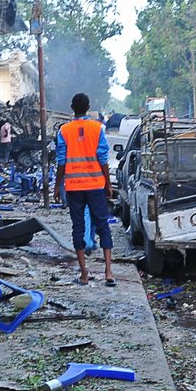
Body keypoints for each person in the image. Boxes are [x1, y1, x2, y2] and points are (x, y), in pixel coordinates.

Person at [53, 93, 115, 287]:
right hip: (96, 185)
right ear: (88, 107)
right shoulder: (98, 129)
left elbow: (61, 161)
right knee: (103, 225)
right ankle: (108, 273)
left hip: (74, 187)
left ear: (72, 108)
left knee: (78, 228)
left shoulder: (64, 131)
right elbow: (103, 158)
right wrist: (108, 183)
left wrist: (57, 186)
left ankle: (84, 274)